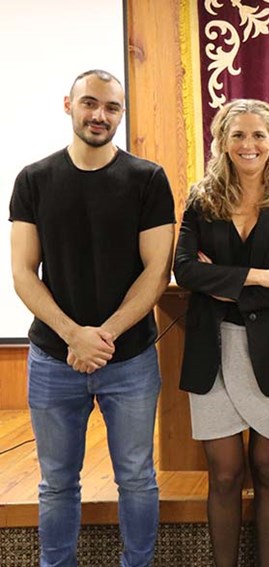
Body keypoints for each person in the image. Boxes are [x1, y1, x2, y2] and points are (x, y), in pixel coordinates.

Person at [9, 69, 175, 566]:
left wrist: (103, 336)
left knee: (137, 478)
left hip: (130, 358)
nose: (100, 115)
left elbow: (157, 271)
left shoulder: (148, 179)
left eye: (111, 107)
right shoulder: (34, 179)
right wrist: (72, 336)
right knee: (57, 483)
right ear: (69, 105)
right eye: (90, 103)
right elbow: (22, 272)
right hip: (53, 359)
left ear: (121, 114)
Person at [173, 99, 269, 567]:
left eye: (258, 135)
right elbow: (185, 270)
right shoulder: (201, 199)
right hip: (212, 350)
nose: (248, 144)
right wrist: (261, 277)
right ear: (223, 142)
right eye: (238, 135)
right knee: (225, 473)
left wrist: (222, 283)